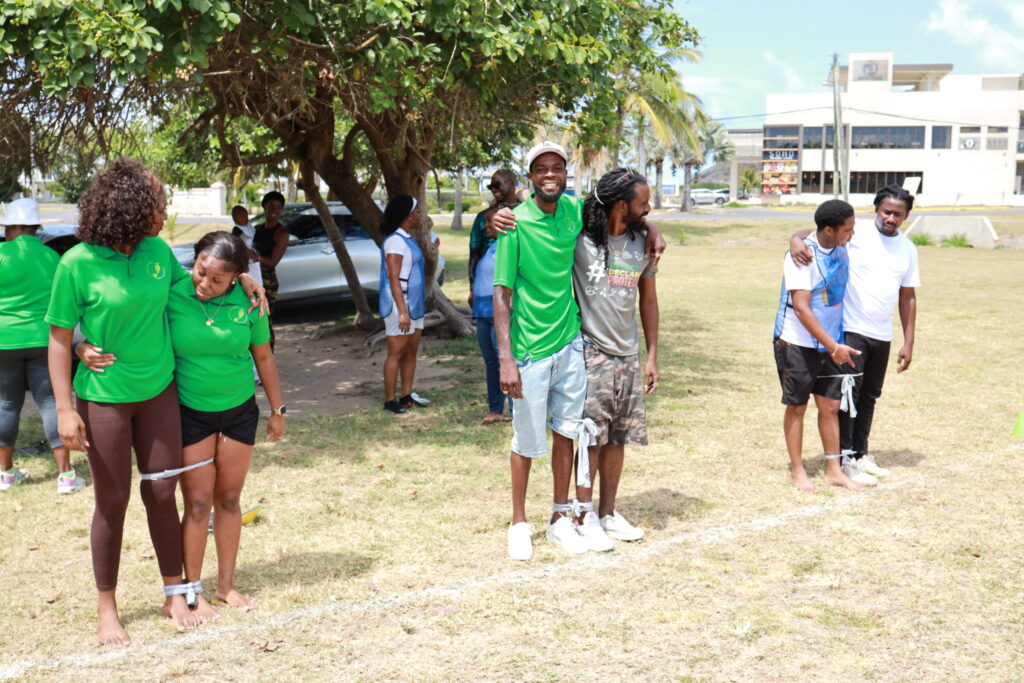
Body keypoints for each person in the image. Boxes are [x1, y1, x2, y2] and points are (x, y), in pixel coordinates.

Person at [46, 159, 265, 646]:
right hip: (104, 398)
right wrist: (65, 405)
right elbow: (59, 338)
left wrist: (248, 279)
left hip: (160, 395)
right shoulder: (76, 263)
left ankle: (175, 592)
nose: (164, 210)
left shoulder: (158, 253)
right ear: (131, 207)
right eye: (159, 202)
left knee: (164, 494)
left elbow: (199, 287)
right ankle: (108, 607)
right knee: (113, 501)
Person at [79, 231, 285, 623]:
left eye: (217, 279)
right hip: (189, 413)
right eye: (201, 272)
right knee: (197, 503)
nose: (204, 284)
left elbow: (264, 357)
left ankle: (226, 584)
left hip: (240, 411)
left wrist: (278, 408)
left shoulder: (251, 300)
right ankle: (192, 590)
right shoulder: (172, 292)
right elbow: (120, 315)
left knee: (229, 500)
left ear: (236, 276)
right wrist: (79, 343)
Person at [493, 141, 666, 560]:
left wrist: (652, 226)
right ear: (530, 176)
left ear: (566, 176)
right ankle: (519, 521)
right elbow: (501, 296)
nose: (550, 175)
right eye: (541, 169)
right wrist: (506, 359)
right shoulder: (514, 224)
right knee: (525, 439)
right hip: (530, 350)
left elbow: (616, 204)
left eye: (558, 168)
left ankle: (559, 518)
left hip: (571, 344)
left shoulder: (575, 213)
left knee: (567, 434)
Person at [789, 184, 919, 484]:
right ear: (876, 208)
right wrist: (794, 239)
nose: (891, 218)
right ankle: (845, 459)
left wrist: (908, 340)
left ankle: (861, 454)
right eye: (886, 211)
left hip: (881, 333)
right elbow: (817, 230)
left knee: (870, 395)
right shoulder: (854, 233)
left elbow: (908, 296)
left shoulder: (908, 249)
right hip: (850, 329)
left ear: (906, 216)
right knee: (848, 396)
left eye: (898, 214)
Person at [570, 168, 659, 549]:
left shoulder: (643, 242)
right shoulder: (579, 237)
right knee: (590, 437)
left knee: (618, 437)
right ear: (622, 204)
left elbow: (649, 300)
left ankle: (607, 512)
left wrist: (651, 355)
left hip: (628, 354)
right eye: (643, 203)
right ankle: (582, 513)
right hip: (592, 351)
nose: (650, 208)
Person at [772, 199, 862, 493]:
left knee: (831, 406)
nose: (851, 234)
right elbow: (801, 307)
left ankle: (833, 470)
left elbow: (808, 230)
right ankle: (798, 470)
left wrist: (796, 234)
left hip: (831, 342)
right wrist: (833, 346)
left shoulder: (839, 244)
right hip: (797, 342)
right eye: (847, 229)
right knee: (797, 406)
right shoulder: (801, 257)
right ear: (829, 230)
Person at [0, 198, 85, 493]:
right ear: (35, 228)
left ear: (9, 227)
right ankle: (65, 475)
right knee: (50, 402)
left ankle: (6, 474)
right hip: (43, 341)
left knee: (6, 404)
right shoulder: (51, 258)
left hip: (3, 341)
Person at [379, 195, 430, 414]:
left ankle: (406, 395)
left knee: (411, 349)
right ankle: (390, 400)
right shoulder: (395, 241)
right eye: (417, 211)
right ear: (408, 216)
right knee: (396, 351)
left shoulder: (408, 238)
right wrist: (402, 312)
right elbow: (393, 278)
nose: (420, 215)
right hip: (401, 303)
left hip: (415, 302)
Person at [471, 204, 512, 424]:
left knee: (506, 360)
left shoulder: (509, 246)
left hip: (499, 313)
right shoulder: (493, 246)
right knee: (491, 363)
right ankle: (495, 409)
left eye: (489, 221)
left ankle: (516, 410)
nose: (486, 226)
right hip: (483, 311)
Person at [469, 169, 519, 292]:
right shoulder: (483, 217)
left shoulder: (526, 212)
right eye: (491, 186)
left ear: (512, 184)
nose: (493, 189)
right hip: (488, 285)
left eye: (497, 185)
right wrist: (472, 286)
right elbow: (474, 253)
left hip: (519, 284)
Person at [251, 191, 289, 351]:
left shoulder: (281, 233)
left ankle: (268, 354)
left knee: (264, 320)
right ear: (264, 206)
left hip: (267, 282)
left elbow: (273, 262)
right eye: (271, 205)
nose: (274, 209)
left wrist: (255, 257)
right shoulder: (256, 229)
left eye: (278, 207)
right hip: (252, 279)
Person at [230, 204, 264, 286]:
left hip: (252, 256)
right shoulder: (237, 229)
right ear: (235, 219)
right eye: (242, 216)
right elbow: (236, 243)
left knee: (255, 277)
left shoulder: (249, 227)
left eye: (246, 215)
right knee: (246, 276)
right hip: (243, 256)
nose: (246, 218)